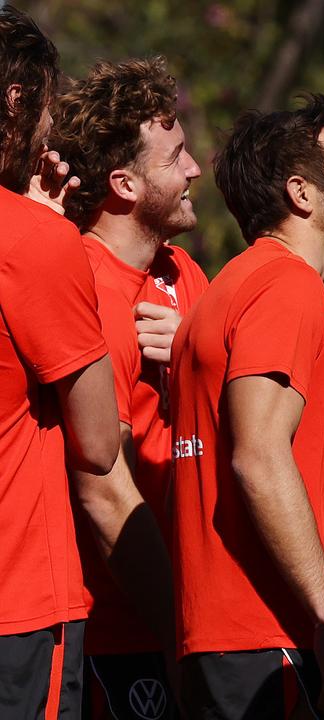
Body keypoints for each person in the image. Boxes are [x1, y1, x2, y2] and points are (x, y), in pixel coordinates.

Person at [169, 94, 324, 719]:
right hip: (265, 636)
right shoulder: (286, 285)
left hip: (234, 636)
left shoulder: (231, 285)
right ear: (302, 194)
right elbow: (258, 459)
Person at [48, 56, 207, 720]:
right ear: (124, 184)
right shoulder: (81, 283)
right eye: (175, 158)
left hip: (191, 620)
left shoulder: (183, 270)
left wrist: (203, 352)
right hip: (118, 635)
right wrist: (181, 631)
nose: (196, 167)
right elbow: (101, 487)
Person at [0, 6, 120, 718]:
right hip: (17, 606)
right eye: (47, 110)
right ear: (16, 101)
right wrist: (53, 234)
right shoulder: (35, 240)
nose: (51, 135)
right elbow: (100, 444)